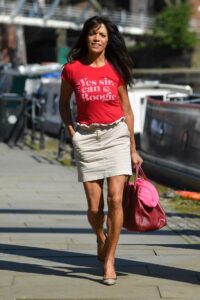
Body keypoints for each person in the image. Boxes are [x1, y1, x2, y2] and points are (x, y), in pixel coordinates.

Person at [59, 15, 143, 285]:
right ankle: (100, 237)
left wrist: (132, 147)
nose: (97, 38)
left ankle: (110, 261)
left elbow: (127, 110)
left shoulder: (116, 69)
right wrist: (72, 132)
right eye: (93, 33)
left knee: (115, 200)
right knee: (95, 208)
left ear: (109, 40)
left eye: (102, 35)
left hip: (116, 135)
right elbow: (63, 103)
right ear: (85, 36)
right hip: (88, 137)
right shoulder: (72, 69)